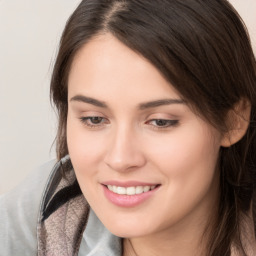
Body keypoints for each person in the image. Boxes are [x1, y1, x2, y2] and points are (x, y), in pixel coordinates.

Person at [0, 0, 256, 255]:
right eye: (94, 119)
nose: (120, 159)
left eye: (160, 121)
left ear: (233, 120)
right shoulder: (46, 204)